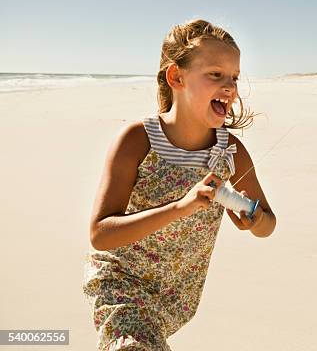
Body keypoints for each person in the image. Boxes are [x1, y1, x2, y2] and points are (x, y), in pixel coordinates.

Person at [83, 19, 276, 350]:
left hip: (177, 296)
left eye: (234, 77)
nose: (229, 87)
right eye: (216, 74)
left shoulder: (230, 152)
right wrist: (179, 208)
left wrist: (254, 218)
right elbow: (101, 233)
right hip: (121, 284)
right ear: (177, 77)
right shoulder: (137, 140)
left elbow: (268, 224)